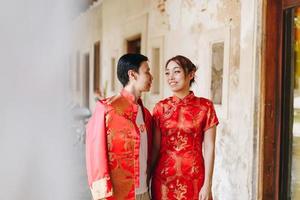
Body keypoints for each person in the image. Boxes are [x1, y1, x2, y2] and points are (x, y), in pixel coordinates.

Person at [86, 53, 153, 200]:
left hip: (144, 192)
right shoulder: (107, 109)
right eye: (147, 71)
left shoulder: (146, 114)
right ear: (132, 74)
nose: (151, 76)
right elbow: (95, 153)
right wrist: (101, 194)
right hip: (118, 194)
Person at [151, 55, 219, 200]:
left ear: (191, 74)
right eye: (167, 73)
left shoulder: (205, 107)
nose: (171, 77)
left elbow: (209, 147)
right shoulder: (160, 108)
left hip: (195, 178)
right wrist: (145, 180)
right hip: (163, 180)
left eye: (176, 71)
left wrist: (207, 184)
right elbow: (155, 148)